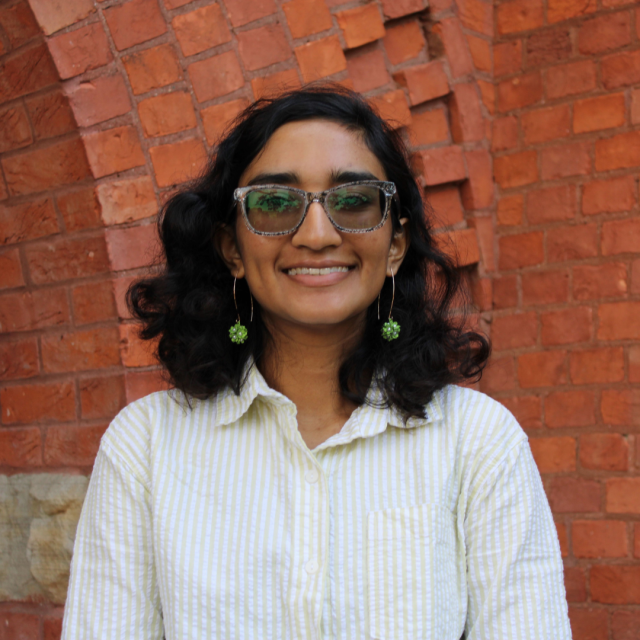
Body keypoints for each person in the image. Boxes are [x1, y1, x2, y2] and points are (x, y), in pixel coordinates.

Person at [62, 86, 571, 640]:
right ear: (232, 247)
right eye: (275, 204)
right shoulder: (146, 447)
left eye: (353, 202)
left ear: (395, 244)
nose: (317, 236)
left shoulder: (476, 442)